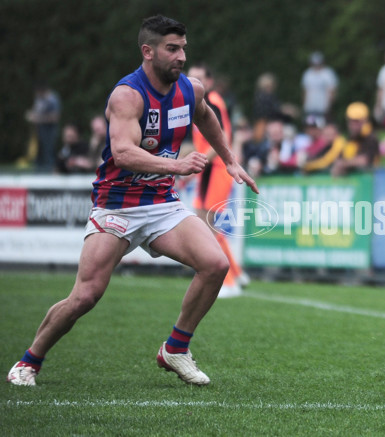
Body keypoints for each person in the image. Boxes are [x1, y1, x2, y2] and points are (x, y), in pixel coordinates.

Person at [6, 15, 258, 387]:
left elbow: (206, 118)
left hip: (161, 203)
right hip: (117, 206)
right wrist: (177, 165)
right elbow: (123, 153)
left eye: (183, 49)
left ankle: (175, 349)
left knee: (215, 264)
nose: (181, 57)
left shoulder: (191, 90)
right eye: (172, 49)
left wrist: (230, 160)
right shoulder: (127, 95)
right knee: (86, 296)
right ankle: (29, 361)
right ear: (148, 51)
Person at [186, 62, 249, 297]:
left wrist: (199, 162)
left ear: (209, 82)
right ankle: (236, 273)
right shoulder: (205, 101)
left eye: (199, 78)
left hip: (215, 168)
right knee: (208, 225)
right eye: (190, 78)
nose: (193, 83)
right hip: (213, 168)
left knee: (207, 226)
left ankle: (228, 282)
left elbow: (220, 137)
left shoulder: (209, 100)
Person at [330, 102, 379, 177]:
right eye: (351, 121)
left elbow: (365, 160)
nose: (353, 125)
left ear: (365, 121)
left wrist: (343, 164)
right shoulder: (348, 139)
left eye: (357, 121)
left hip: (369, 182)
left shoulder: (371, 138)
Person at [25, 81, 61, 172]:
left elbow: (55, 117)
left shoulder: (52, 99)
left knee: (48, 152)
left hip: (49, 130)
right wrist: (32, 115)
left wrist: (38, 119)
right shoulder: (39, 98)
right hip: (39, 130)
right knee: (38, 152)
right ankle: (38, 170)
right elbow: (36, 109)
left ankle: (50, 172)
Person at [301, 51, 338, 119]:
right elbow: (305, 91)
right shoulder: (308, 74)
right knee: (310, 125)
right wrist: (304, 105)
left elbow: (332, 91)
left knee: (322, 126)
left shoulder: (328, 73)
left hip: (323, 108)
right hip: (310, 107)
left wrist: (329, 106)